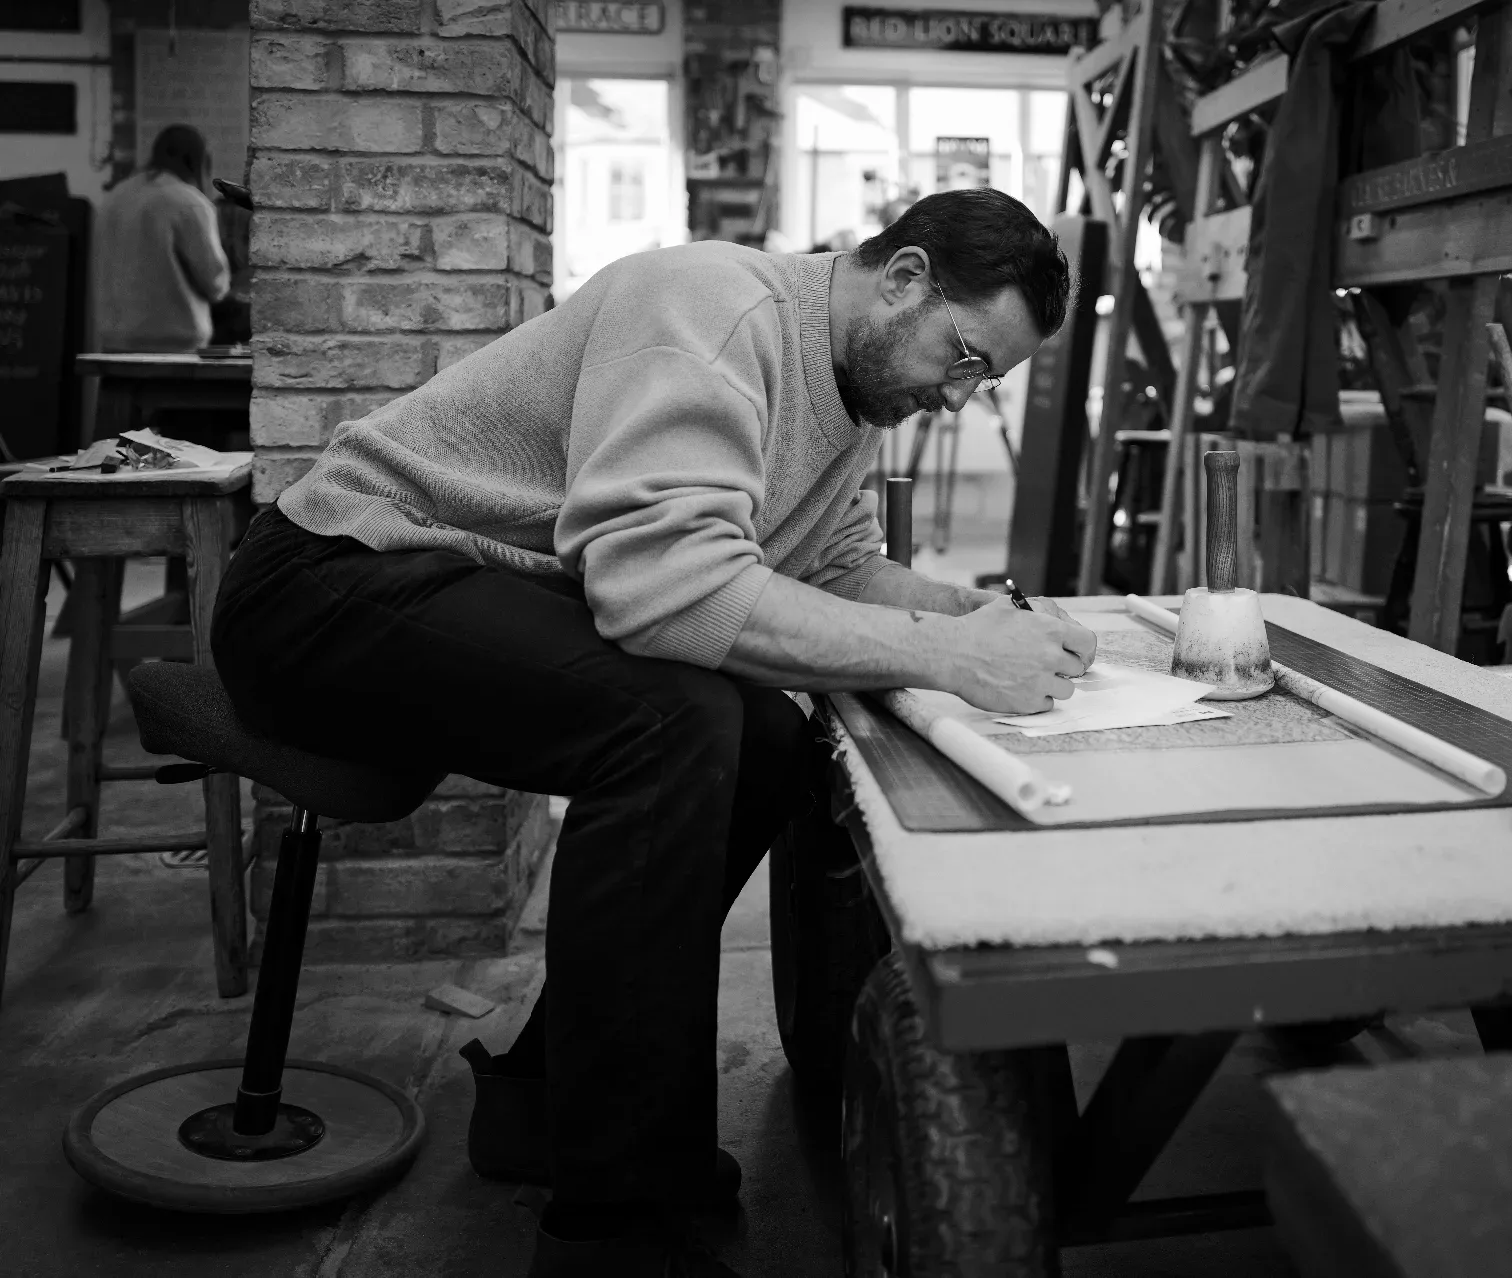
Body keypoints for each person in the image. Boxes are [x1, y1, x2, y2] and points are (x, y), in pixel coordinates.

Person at [209, 187, 1091, 1277]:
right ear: (904, 279)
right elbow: (664, 590)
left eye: (983, 382)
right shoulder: (713, 308)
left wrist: (973, 618)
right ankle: (619, 1229)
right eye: (962, 359)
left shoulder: (850, 390)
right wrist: (947, 660)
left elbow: (833, 568)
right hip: (327, 578)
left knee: (765, 736)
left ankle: (546, 1098)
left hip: (453, 588)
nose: (956, 398)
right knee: (672, 724)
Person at [94, 124, 230, 353]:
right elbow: (214, 283)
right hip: (173, 348)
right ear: (197, 160)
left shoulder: (115, 197)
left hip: (114, 343)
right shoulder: (188, 202)